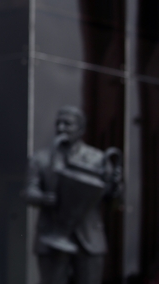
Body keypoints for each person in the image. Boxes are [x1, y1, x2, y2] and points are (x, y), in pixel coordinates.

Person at [23, 106, 123, 284]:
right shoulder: (41, 158)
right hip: (51, 236)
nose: (61, 128)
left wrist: (115, 187)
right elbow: (29, 191)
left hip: (89, 239)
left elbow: (113, 202)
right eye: (58, 124)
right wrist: (42, 198)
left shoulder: (97, 159)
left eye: (67, 124)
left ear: (81, 129)